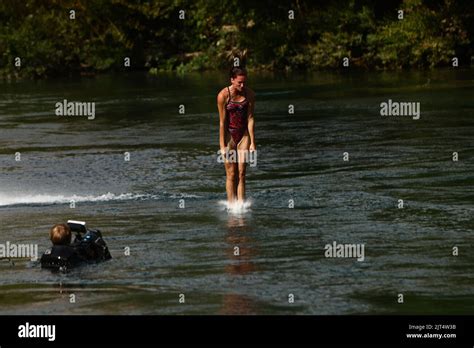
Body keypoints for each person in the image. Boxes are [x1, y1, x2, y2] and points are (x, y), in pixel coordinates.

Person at [217, 66, 256, 205]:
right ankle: (231, 205)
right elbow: (222, 123)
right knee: (231, 174)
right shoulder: (223, 95)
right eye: (239, 82)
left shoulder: (250, 94)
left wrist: (252, 142)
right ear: (232, 80)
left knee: (242, 173)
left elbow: (250, 118)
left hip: (244, 136)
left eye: (244, 82)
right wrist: (222, 146)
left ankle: (241, 206)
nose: (242, 85)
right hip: (229, 136)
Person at [41, 221, 111, 271]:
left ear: (51, 238)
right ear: (70, 238)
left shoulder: (47, 253)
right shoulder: (74, 252)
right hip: (72, 270)